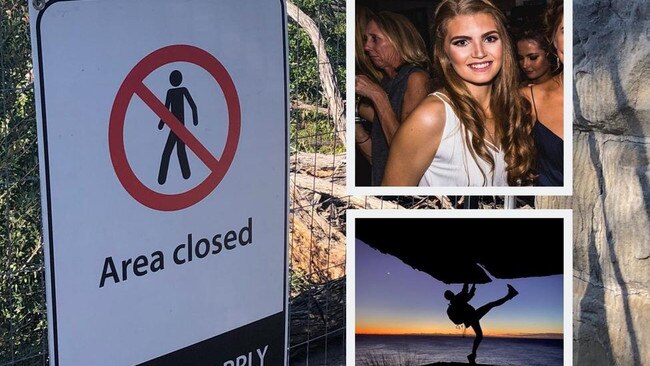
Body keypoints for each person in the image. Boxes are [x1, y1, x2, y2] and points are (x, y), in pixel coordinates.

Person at [381, 0, 535, 187]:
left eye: (490, 39)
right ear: (445, 53)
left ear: (505, 44)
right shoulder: (431, 118)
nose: (479, 52)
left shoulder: (515, 108)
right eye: (462, 42)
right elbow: (386, 206)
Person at [355, 11, 433, 186]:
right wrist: (356, 129)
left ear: (398, 40)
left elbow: (407, 155)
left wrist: (377, 96)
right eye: (366, 39)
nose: (367, 47)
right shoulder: (386, 82)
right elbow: (381, 160)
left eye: (375, 39)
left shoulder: (416, 79)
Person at [520, 0, 563, 186]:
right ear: (553, 39)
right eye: (565, 29)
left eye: (533, 57)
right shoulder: (524, 98)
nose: (525, 65)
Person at [445, 283, 519, 364]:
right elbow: (466, 292)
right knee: (491, 304)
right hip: (473, 316)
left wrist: (473, 285)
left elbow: (467, 295)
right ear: (451, 294)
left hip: (471, 318)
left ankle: (472, 355)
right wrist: (467, 281)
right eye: (451, 293)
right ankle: (510, 295)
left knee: (479, 335)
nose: (452, 293)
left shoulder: (452, 305)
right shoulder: (457, 300)